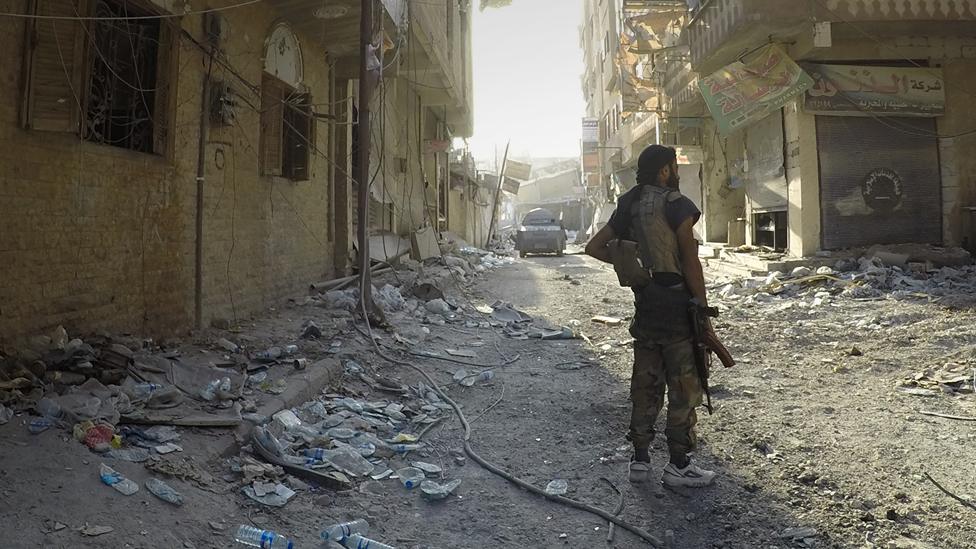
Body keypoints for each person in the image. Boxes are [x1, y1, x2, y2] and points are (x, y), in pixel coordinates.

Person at [584, 144, 717, 488]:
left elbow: (594, 247)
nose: (677, 173)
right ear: (663, 171)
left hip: (646, 306)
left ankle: (640, 461)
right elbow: (690, 260)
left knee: (645, 384)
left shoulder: (627, 203)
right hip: (677, 308)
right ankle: (678, 466)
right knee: (684, 388)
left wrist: (637, 272)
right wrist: (701, 307)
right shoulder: (677, 205)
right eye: (674, 167)